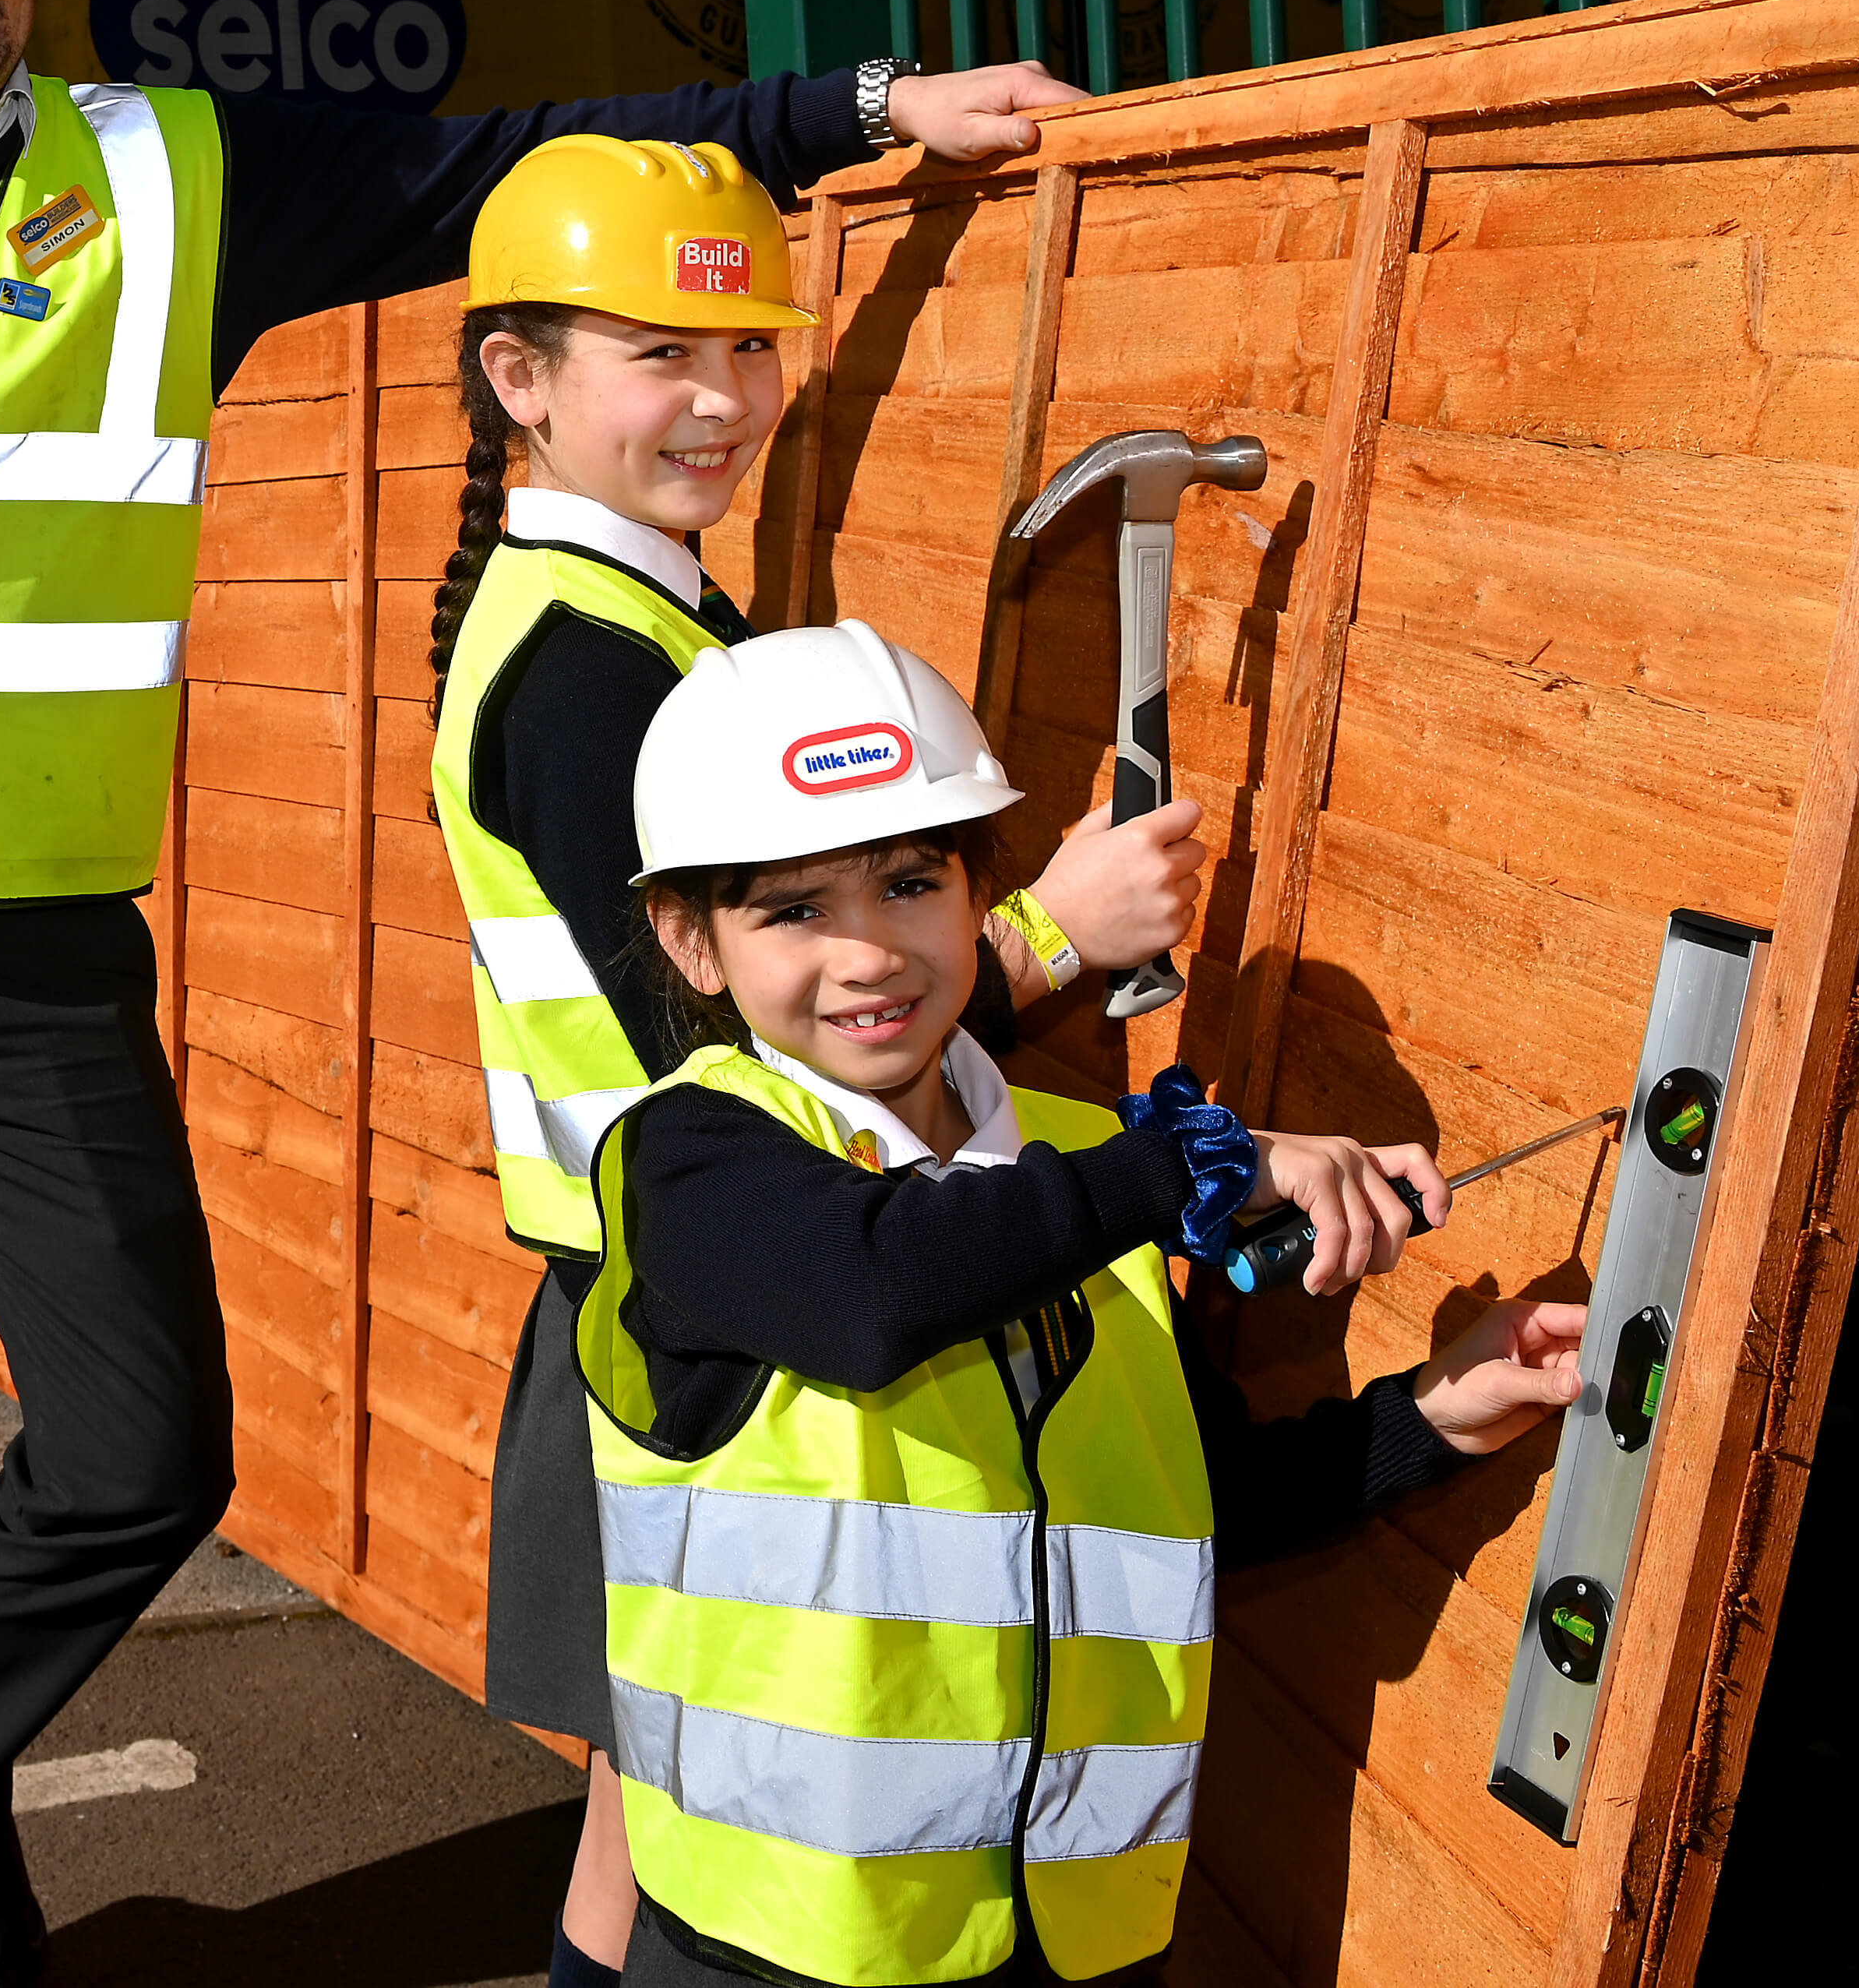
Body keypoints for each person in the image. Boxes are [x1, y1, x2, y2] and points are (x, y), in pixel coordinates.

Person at [0, 0, 1078, 1988]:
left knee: (137, 1452)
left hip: (21, 950)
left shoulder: (166, 175)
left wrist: (855, 102)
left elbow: (516, 173)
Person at [422, 136, 1204, 1988]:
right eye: (658, 357)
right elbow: (771, 1043)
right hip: (715, 1289)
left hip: (681, 1275)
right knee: (678, 1828)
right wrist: (1043, 933)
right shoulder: (589, 669)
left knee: (645, 1814)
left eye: (750, 350)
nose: (721, 400)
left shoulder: (635, 618)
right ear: (517, 380)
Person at [578, 622, 1589, 1988]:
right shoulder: (692, 1162)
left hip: (1074, 1938)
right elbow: (873, 1292)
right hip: (786, 1949)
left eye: (908, 883)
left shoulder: (1065, 1164)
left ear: (973, 889)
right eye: (792, 909)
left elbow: (1181, 1501)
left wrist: (1436, 1414)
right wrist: (1177, 1162)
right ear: (690, 944)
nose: (868, 952)